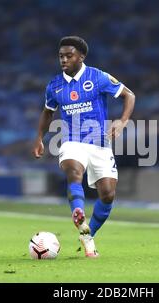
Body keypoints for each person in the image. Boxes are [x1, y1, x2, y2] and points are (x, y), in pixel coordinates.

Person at [32, 36, 136, 257]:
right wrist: (40, 137)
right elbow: (48, 112)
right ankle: (78, 212)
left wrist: (122, 120)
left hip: (100, 144)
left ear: (81, 57)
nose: (64, 60)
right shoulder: (54, 85)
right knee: (73, 170)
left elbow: (129, 95)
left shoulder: (98, 77)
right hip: (71, 140)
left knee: (107, 195)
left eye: (69, 55)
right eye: (61, 56)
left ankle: (88, 236)